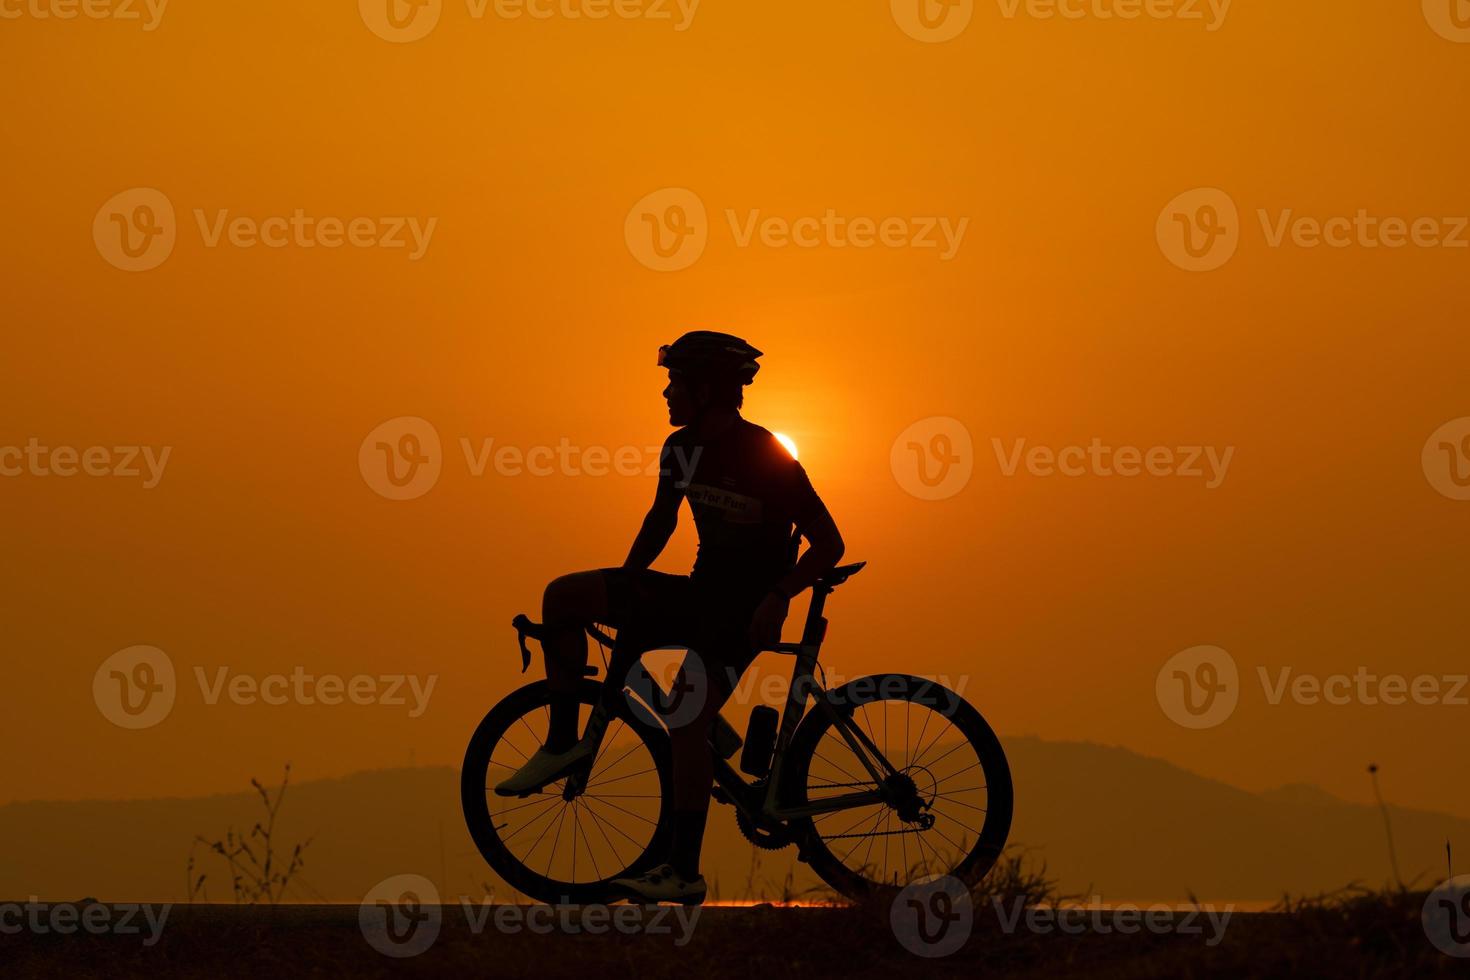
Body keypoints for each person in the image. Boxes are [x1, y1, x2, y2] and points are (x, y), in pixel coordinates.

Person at [494, 330, 846, 903]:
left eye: (675, 382)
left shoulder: (767, 455)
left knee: (683, 716)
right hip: (700, 593)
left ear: (706, 389)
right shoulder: (679, 449)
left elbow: (828, 543)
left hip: (744, 610)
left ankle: (682, 870)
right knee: (564, 597)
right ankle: (563, 742)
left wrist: (781, 594)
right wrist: (628, 581)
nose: (665, 393)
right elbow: (662, 522)